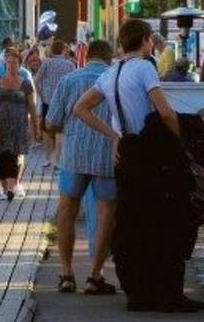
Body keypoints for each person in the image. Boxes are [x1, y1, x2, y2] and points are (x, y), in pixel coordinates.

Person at [73, 19, 201, 313]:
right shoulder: (144, 68)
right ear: (145, 40)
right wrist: (184, 141)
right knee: (166, 222)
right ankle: (168, 292)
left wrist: (113, 135)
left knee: (133, 224)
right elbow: (165, 112)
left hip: (127, 156)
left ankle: (139, 291)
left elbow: (80, 108)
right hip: (153, 156)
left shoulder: (110, 73)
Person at [45, 40, 116, 295]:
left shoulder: (69, 80)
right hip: (107, 154)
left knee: (67, 211)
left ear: (87, 57)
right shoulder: (114, 79)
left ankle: (66, 273)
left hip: (74, 155)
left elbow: (51, 122)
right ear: (109, 59)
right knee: (106, 212)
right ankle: (95, 276)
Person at [0, 47, 40, 202]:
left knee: (14, 157)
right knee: (1, 157)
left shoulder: (26, 83)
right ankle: (4, 188)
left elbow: (32, 107)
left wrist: (35, 127)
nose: (11, 65)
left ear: (20, 65)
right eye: (9, 62)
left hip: (18, 127)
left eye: (15, 62)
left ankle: (10, 188)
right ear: (4, 64)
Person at [35, 40, 76, 168]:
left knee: (47, 131)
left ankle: (48, 158)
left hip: (48, 102)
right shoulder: (70, 65)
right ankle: (58, 159)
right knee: (61, 131)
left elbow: (36, 80)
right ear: (63, 50)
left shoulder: (47, 63)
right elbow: (73, 84)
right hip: (64, 102)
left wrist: (41, 95)